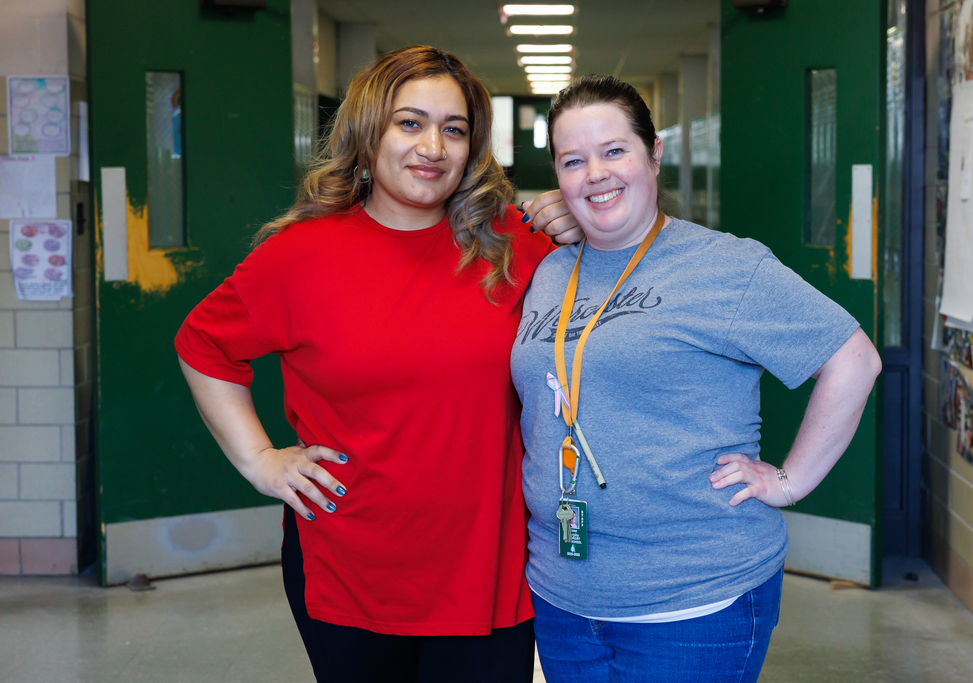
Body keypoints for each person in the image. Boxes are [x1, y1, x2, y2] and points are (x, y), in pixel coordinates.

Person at [175, 45, 578, 683]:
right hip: (349, 562)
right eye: (409, 123)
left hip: (489, 566)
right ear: (369, 134)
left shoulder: (517, 245)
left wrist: (580, 219)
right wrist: (259, 459)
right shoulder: (299, 257)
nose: (433, 147)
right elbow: (204, 344)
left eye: (454, 129)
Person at [510, 74, 882, 683]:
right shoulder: (549, 271)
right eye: (573, 161)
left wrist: (789, 482)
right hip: (563, 595)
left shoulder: (724, 266)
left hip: (695, 598)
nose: (595, 174)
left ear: (654, 155)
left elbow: (853, 359)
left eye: (614, 151)